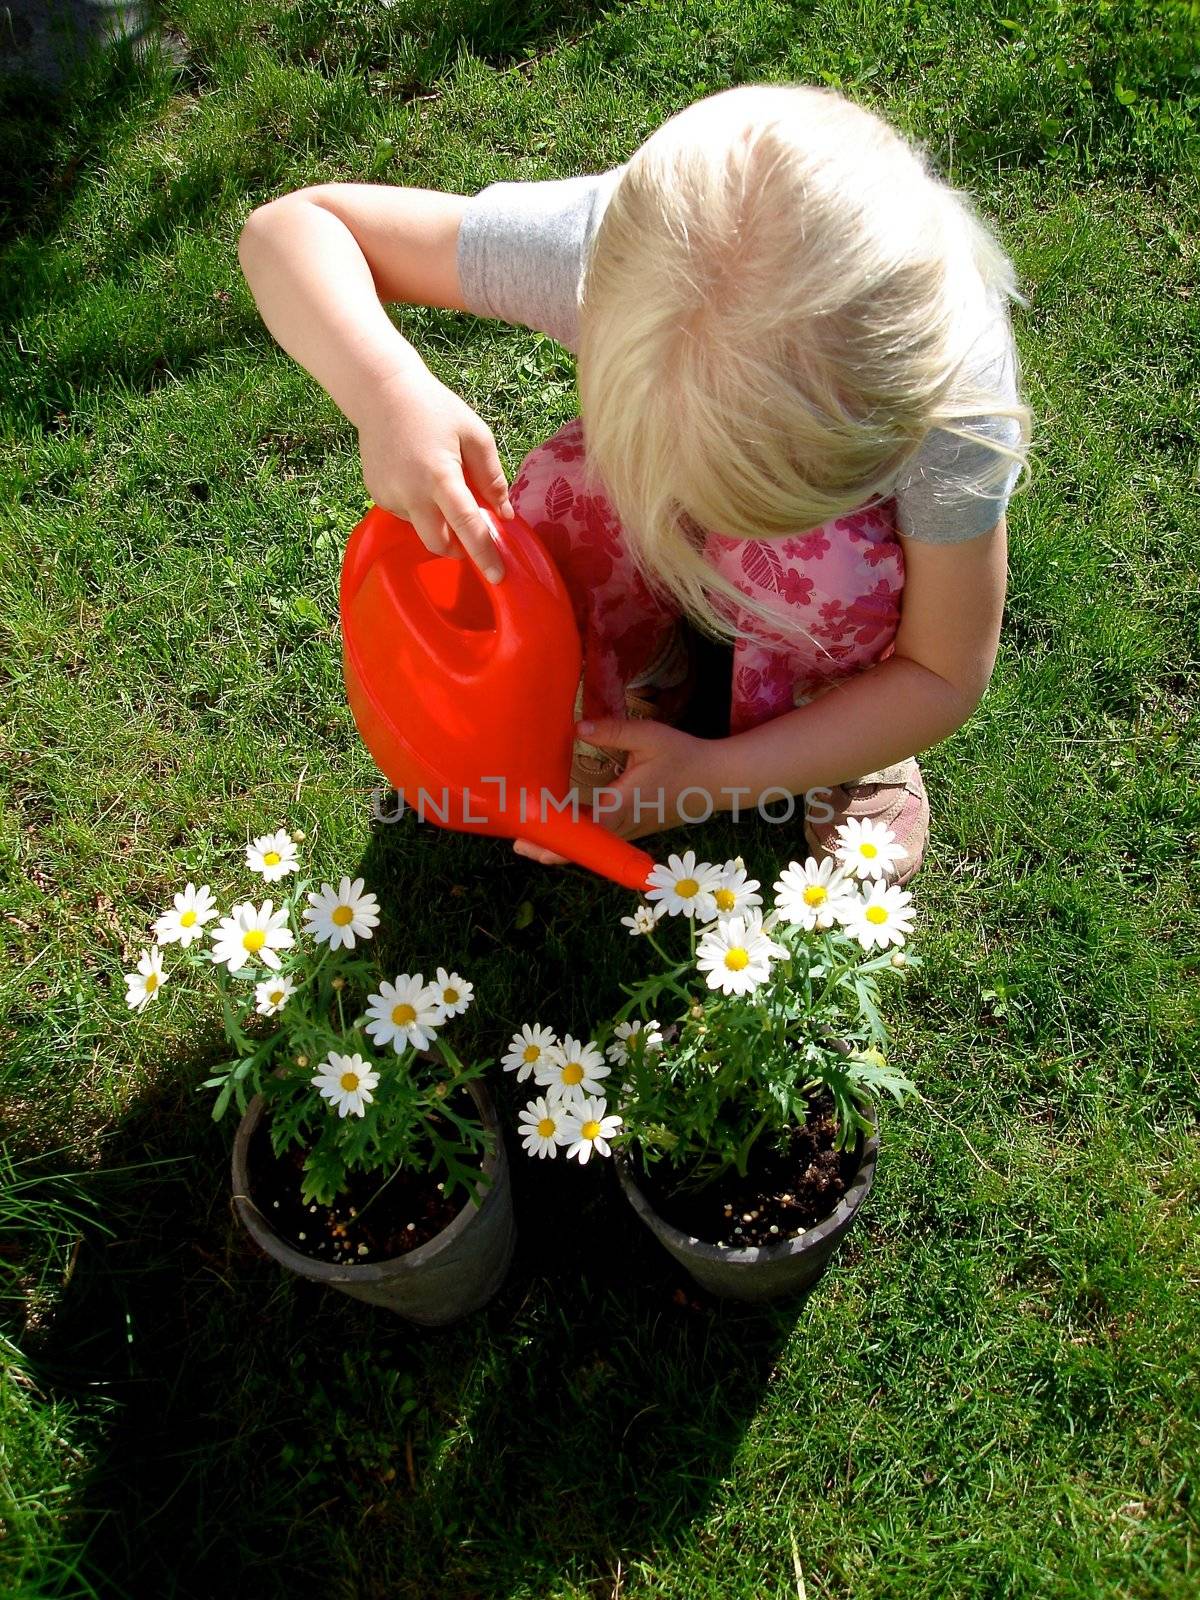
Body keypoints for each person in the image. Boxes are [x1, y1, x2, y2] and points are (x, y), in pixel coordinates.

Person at [238, 83, 1031, 884]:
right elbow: (292, 230)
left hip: (830, 574)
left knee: (834, 573)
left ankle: (839, 732)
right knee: (561, 498)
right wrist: (386, 391)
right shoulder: (611, 251)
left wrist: (720, 782)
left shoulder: (951, 404)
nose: (694, 520)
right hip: (633, 478)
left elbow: (940, 672)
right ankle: (635, 705)